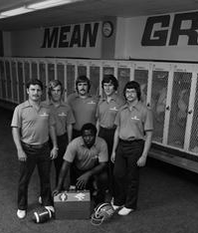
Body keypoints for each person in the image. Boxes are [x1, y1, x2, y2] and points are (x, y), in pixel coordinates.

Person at [11, 78, 58, 219]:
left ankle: (46, 200)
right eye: (32, 89)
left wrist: (55, 146)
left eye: (38, 90)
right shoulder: (20, 109)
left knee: (45, 178)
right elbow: (15, 129)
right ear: (27, 91)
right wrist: (19, 149)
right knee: (24, 180)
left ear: (42, 92)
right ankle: (22, 206)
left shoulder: (47, 109)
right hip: (27, 149)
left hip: (44, 148)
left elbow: (52, 127)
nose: (35, 92)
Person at [111, 81, 153, 216]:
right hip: (122, 145)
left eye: (132, 92)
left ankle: (130, 205)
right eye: (127, 92)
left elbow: (149, 134)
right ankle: (119, 201)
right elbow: (117, 130)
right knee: (118, 174)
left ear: (137, 94)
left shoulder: (144, 110)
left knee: (132, 177)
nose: (129, 94)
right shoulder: (122, 110)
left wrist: (144, 155)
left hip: (136, 146)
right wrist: (114, 150)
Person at [54, 123, 108, 209]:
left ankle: (99, 203)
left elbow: (103, 164)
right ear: (82, 136)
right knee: (83, 193)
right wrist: (58, 186)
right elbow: (65, 165)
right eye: (85, 136)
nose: (88, 138)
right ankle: (86, 187)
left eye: (91, 136)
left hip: (93, 170)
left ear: (95, 135)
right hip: (78, 171)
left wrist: (88, 174)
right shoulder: (74, 144)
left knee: (104, 177)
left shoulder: (102, 143)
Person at [96, 74, 125, 199]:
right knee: (102, 162)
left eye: (110, 85)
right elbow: (98, 121)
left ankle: (114, 192)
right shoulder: (101, 101)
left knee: (114, 164)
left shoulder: (120, 102)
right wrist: (96, 138)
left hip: (114, 133)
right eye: (105, 85)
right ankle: (103, 188)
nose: (107, 88)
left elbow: (121, 124)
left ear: (115, 87)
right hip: (102, 133)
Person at [47, 80, 75, 183]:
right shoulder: (44, 106)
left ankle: (59, 190)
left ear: (62, 92)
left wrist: (69, 142)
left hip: (61, 138)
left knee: (60, 167)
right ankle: (45, 193)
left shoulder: (67, 107)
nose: (56, 93)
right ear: (49, 92)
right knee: (45, 168)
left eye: (58, 90)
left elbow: (69, 125)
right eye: (53, 90)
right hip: (46, 139)